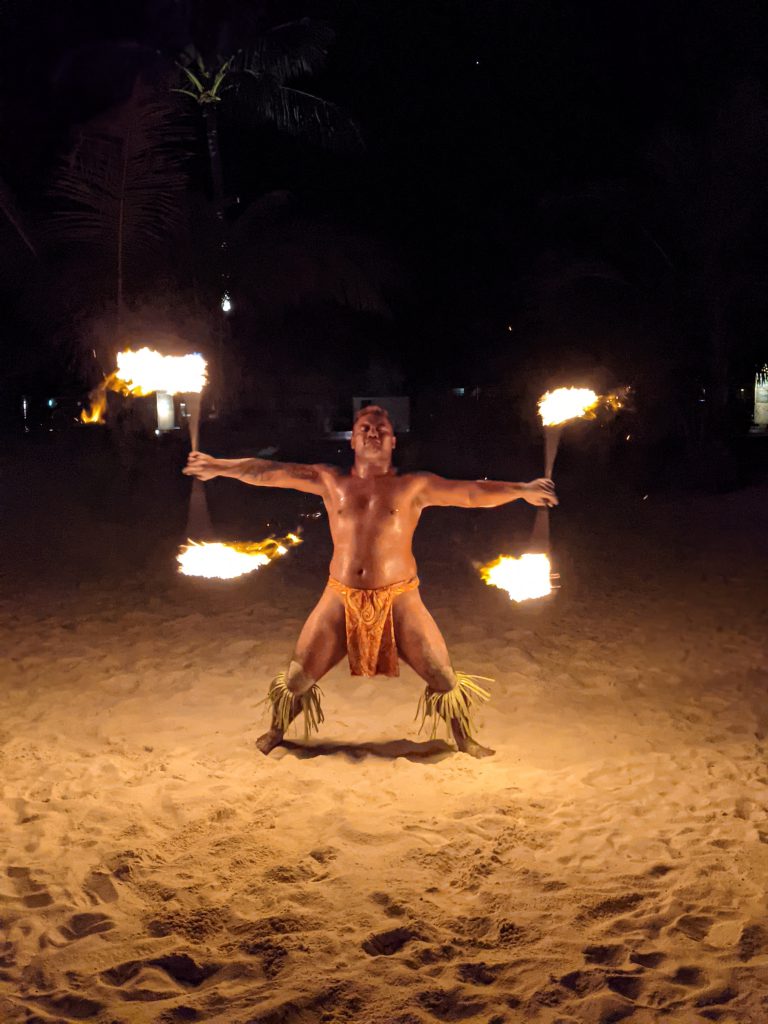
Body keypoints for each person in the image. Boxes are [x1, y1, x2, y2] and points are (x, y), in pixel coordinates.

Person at [184, 405, 557, 759]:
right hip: (339, 595)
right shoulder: (330, 481)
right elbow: (270, 472)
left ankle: (464, 739)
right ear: (353, 440)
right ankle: (276, 731)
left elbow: (472, 493)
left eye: (382, 430)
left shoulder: (414, 486)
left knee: (443, 676)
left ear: (394, 441)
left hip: (400, 597)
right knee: (297, 678)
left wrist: (523, 490)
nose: (373, 434)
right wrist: (217, 467)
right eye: (365, 429)